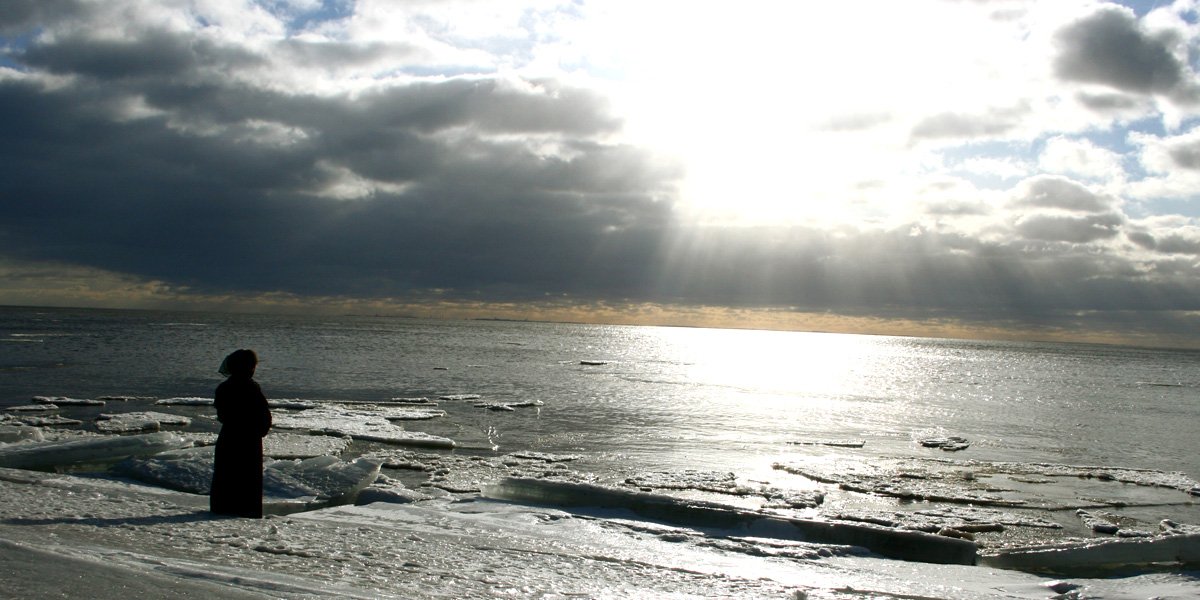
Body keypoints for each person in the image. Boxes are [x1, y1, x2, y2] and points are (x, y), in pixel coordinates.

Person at [209, 349, 272, 518]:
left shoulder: (224, 387)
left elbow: (222, 415)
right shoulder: (251, 386)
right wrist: (260, 429)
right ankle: (246, 512)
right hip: (248, 439)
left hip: (229, 437)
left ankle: (223, 508)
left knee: (227, 476)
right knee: (247, 478)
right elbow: (263, 414)